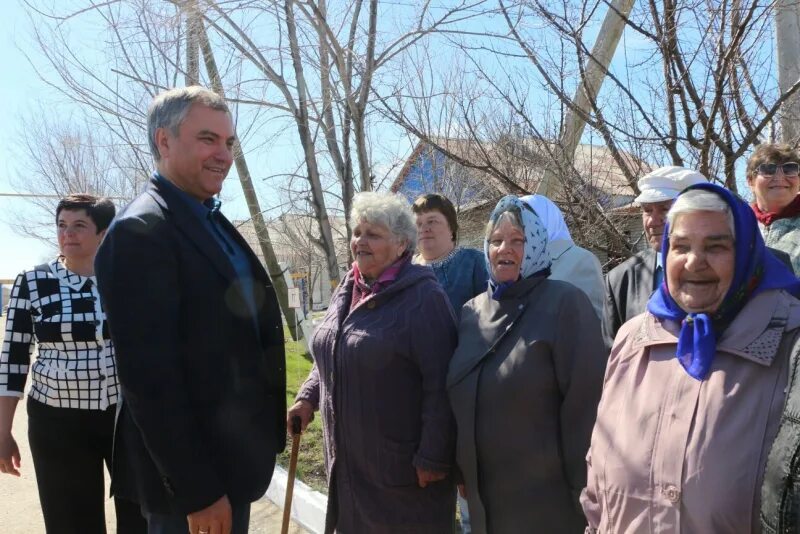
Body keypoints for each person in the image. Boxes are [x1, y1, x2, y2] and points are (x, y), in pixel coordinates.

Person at [94, 86, 286, 534]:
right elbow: (149, 381)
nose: (224, 154)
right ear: (164, 141)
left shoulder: (208, 218)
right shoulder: (142, 230)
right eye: (208, 139)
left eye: (229, 142)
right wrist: (197, 490)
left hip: (231, 464)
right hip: (193, 486)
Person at [581, 183, 800, 533]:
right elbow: (597, 487)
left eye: (715, 247)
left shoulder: (790, 345)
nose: (695, 261)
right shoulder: (633, 339)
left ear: (745, 254)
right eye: (680, 246)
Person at [287, 192, 458, 533]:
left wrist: (433, 457)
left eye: (373, 234)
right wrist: (308, 396)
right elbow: (332, 349)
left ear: (401, 245)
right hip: (349, 464)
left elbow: (441, 384)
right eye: (356, 233)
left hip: (402, 475)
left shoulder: (423, 298)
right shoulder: (349, 286)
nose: (360, 242)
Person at [447, 196, 606, 533]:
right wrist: (461, 468)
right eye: (496, 240)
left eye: (518, 240)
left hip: (547, 504)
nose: (505, 248)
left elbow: (585, 407)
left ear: (536, 243)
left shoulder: (565, 304)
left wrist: (585, 495)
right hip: (482, 501)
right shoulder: (470, 312)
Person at [0, 194, 146, 533]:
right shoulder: (32, 283)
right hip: (58, 424)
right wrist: (3, 431)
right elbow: (12, 359)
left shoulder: (131, 279)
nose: (68, 234)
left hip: (127, 421)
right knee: (71, 523)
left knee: (142, 517)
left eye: (79, 225)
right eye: (62, 225)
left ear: (104, 234)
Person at [602, 166, 707, 350]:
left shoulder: (720, 270)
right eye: (647, 210)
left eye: (665, 209)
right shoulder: (621, 279)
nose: (652, 221)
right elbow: (612, 356)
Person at [521, 194, 604, 318]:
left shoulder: (582, 260)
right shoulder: (518, 262)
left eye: (528, 220)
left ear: (546, 219)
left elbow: (598, 318)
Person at [412, 193, 488, 320]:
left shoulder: (475, 263)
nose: (424, 228)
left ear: (451, 227)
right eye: (418, 223)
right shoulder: (403, 269)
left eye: (432, 221)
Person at [746, 143, 800, 274]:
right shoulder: (734, 227)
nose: (780, 177)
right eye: (768, 170)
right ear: (750, 181)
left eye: (790, 169)